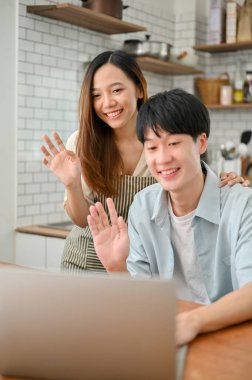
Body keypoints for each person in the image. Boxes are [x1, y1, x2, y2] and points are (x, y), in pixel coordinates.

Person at [40, 50, 248, 272]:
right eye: (96, 95)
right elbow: (82, 221)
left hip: (142, 266)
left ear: (139, 88)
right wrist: (71, 185)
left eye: (117, 90)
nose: (107, 103)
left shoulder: (158, 138)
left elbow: (193, 183)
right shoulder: (83, 141)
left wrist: (226, 185)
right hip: (84, 262)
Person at [87, 89, 252, 346]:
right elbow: (141, 302)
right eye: (152, 147)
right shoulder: (142, 205)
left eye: (174, 143)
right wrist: (116, 268)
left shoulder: (242, 204)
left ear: (201, 143)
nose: (162, 158)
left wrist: (193, 321)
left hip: (226, 336)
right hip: (166, 335)